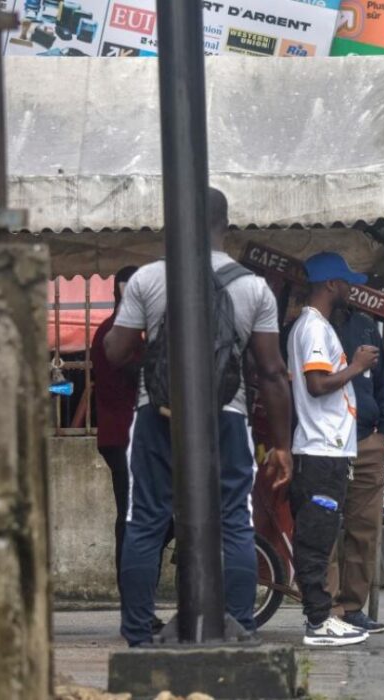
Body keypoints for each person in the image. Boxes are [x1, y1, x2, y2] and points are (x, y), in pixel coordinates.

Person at [104, 188, 293, 647]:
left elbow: (115, 350)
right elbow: (271, 371)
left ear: (172, 223)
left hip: (158, 415)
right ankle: (239, 628)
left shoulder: (148, 279)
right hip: (225, 418)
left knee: (145, 520)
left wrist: (151, 345)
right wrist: (284, 445)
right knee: (234, 520)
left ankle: (138, 637)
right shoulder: (253, 287)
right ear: (224, 227)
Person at [286, 252, 381, 647]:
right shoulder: (312, 328)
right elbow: (317, 384)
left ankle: (323, 617)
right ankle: (318, 622)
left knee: (323, 536)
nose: (350, 288)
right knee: (316, 539)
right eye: (345, 282)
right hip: (320, 452)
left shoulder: (317, 326)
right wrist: (357, 366)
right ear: (329, 285)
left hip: (329, 451)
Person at [325, 305, 384, 634]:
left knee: (364, 528)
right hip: (326, 440)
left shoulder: (366, 326)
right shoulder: (310, 325)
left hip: (368, 438)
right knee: (325, 526)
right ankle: (327, 608)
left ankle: (353, 607)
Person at [90, 265, 153, 611]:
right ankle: (133, 597)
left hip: (129, 434)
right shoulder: (115, 333)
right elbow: (139, 375)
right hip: (122, 434)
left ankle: (138, 591)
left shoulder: (127, 331)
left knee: (142, 514)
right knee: (132, 515)